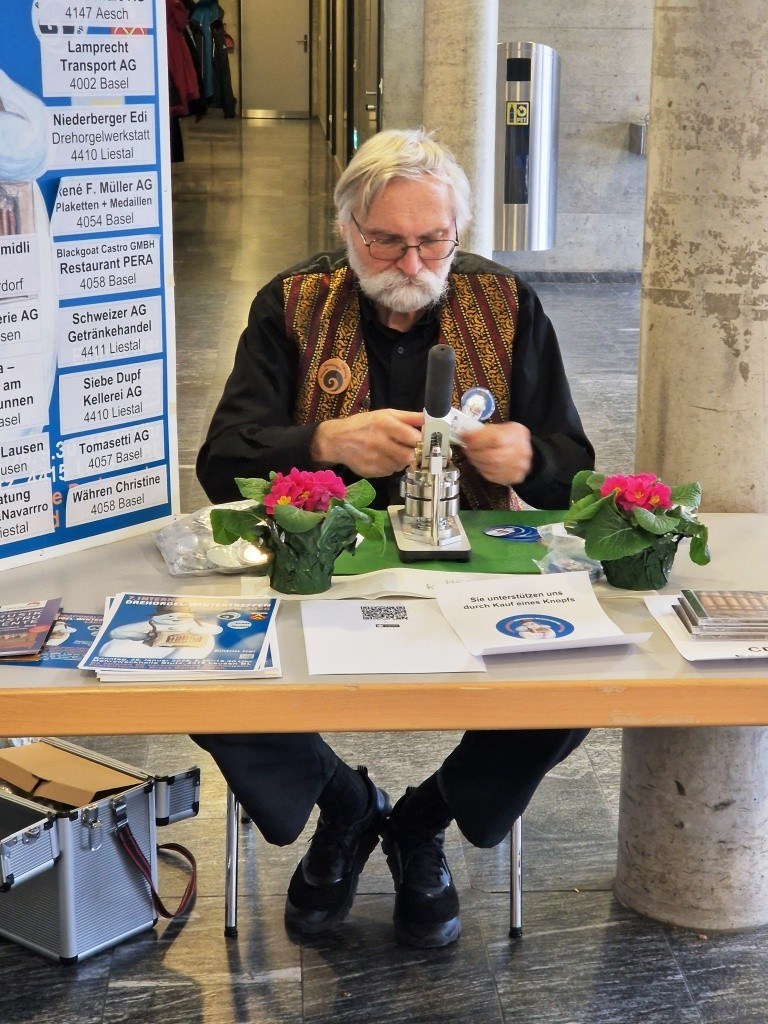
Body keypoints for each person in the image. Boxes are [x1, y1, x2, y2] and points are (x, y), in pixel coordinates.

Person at [192, 128, 594, 949]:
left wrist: (531, 457)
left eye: (432, 241)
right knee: (199, 672)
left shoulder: (506, 304)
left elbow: (573, 469)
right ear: (347, 228)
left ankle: (423, 817)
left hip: (467, 559)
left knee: (582, 681)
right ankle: (344, 803)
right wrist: (321, 442)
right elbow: (222, 461)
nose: (411, 264)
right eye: (386, 241)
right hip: (319, 562)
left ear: (458, 231)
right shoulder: (291, 302)